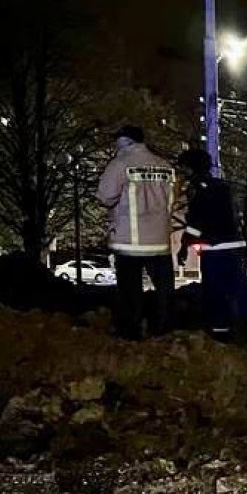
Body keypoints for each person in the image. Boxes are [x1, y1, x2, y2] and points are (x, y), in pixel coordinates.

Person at [98, 125, 175, 340]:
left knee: (130, 293)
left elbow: (105, 196)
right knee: (164, 292)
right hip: (160, 242)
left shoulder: (121, 163)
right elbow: (172, 200)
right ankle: (163, 331)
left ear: (125, 141)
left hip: (129, 242)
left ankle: (130, 333)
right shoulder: (164, 166)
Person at [174, 149, 247, 341]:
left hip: (215, 248)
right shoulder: (221, 186)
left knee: (215, 293)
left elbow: (196, 222)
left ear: (191, 168)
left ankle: (219, 333)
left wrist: (184, 246)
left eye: (183, 168)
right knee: (237, 289)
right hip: (235, 245)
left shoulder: (197, 187)